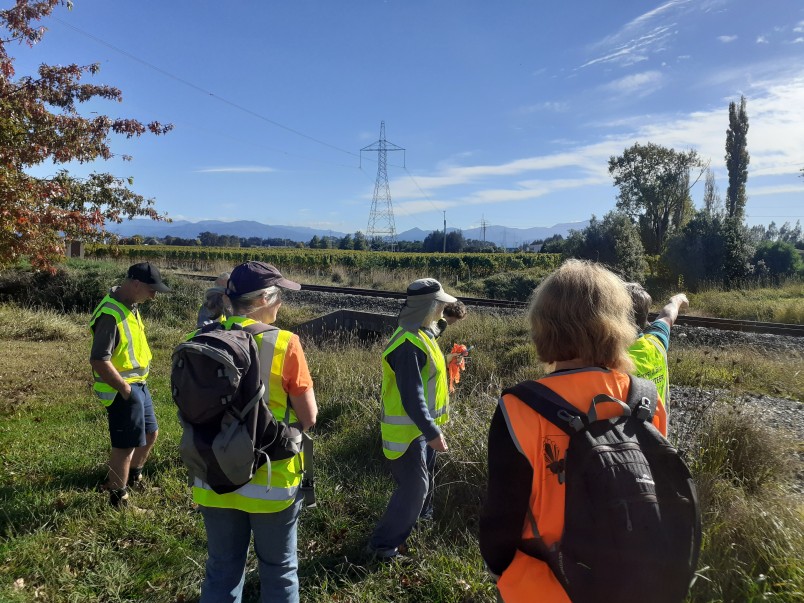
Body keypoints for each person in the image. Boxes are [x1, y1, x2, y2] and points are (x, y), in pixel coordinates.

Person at [479, 260, 667, 603]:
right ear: (616, 325)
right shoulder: (646, 400)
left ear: (544, 326)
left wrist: (499, 569)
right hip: (631, 580)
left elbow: (502, 513)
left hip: (544, 585)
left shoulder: (518, 407)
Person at [193, 261, 317, 603]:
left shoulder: (200, 338)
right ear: (264, 298)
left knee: (221, 567)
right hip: (270, 479)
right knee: (279, 570)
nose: (280, 304)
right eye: (278, 296)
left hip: (212, 475)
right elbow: (308, 418)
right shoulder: (285, 343)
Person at [367, 278, 457, 560]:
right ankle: (382, 547)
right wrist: (431, 431)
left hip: (418, 430)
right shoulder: (408, 345)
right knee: (415, 487)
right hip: (409, 433)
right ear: (430, 307)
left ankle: (419, 526)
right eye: (440, 305)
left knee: (425, 481)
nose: (443, 310)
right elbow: (411, 395)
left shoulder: (420, 334)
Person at [89, 262, 170, 508]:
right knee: (124, 446)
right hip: (123, 389)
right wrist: (124, 389)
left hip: (138, 384)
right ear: (136, 284)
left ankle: (134, 477)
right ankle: (118, 497)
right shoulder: (110, 314)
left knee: (150, 433)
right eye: (152, 290)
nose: (154, 296)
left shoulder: (131, 305)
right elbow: (99, 360)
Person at [626, 283, 689, 424]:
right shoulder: (656, 342)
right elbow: (668, 315)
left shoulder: (611, 358)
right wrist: (677, 299)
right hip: (658, 435)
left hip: (625, 441)